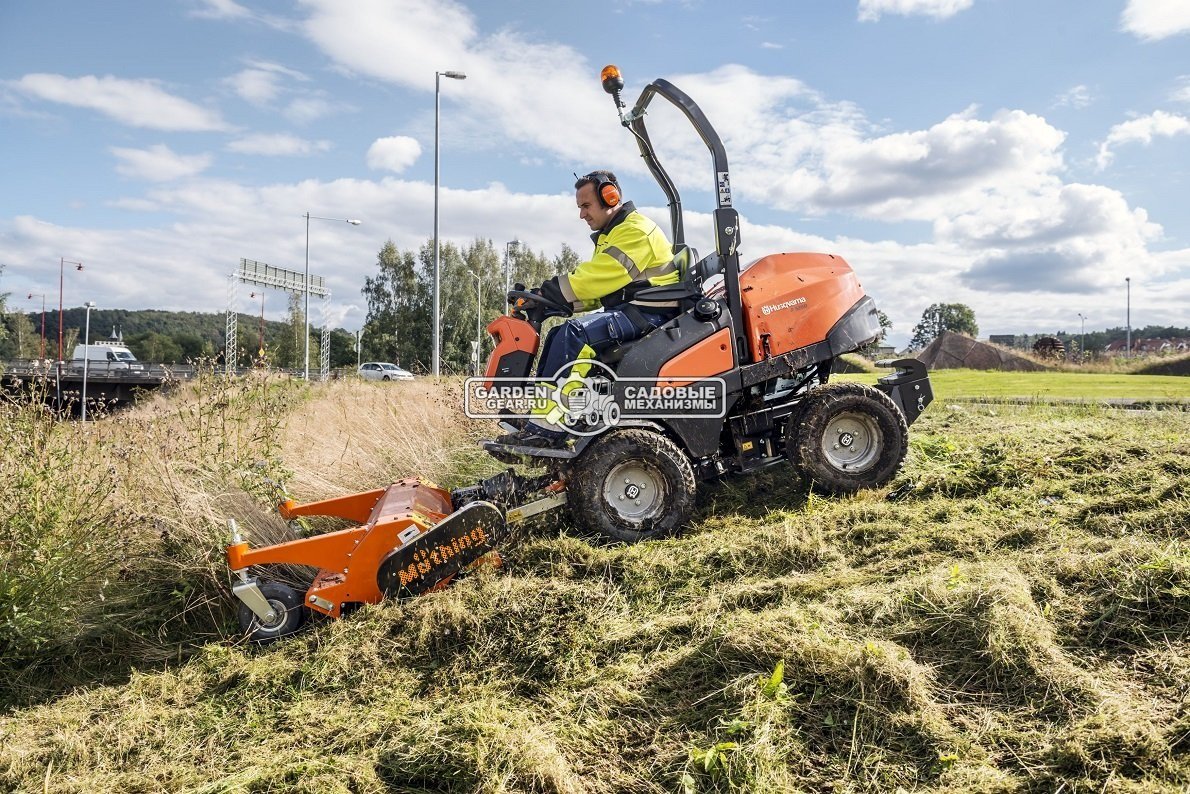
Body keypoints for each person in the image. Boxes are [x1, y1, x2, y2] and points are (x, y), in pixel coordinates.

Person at [499, 170, 680, 448]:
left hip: (651, 314)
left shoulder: (636, 231)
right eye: (580, 207)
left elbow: (595, 279)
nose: (582, 214)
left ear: (611, 198)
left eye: (586, 206)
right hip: (634, 310)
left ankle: (551, 426)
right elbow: (602, 291)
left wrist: (552, 291)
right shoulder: (614, 234)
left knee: (574, 334)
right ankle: (542, 416)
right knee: (558, 333)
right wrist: (553, 303)